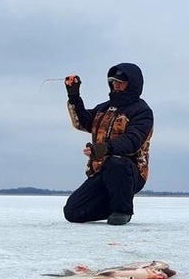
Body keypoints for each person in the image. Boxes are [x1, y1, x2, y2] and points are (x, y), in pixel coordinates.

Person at [63, 63, 154, 225]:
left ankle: (122, 210)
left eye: (121, 82)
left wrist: (105, 148)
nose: (116, 85)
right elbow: (83, 122)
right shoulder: (104, 109)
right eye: (113, 82)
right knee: (72, 212)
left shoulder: (142, 111)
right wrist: (74, 96)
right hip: (101, 171)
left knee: (116, 161)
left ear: (132, 83)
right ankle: (113, 204)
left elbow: (133, 140)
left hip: (129, 173)